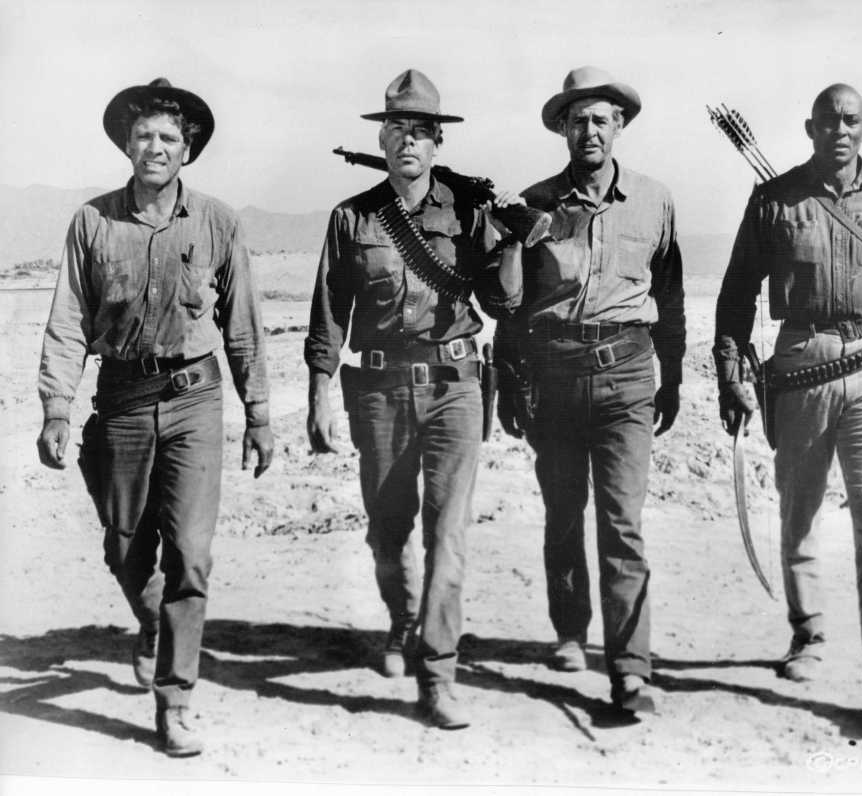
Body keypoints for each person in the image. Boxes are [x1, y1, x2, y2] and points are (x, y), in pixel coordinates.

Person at [36, 77, 274, 756]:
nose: (156, 147)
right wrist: (56, 407)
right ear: (127, 145)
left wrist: (259, 412)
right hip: (120, 402)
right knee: (124, 547)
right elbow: (67, 320)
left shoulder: (218, 221)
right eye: (143, 135)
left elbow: (244, 325)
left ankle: (175, 701)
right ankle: (151, 622)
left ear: (187, 149)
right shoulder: (92, 221)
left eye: (169, 137)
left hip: (195, 398)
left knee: (190, 554)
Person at [713, 83, 862, 720]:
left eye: (851, 120)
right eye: (828, 120)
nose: (839, 129)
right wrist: (730, 374)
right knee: (800, 513)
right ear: (810, 127)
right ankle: (809, 633)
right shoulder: (773, 200)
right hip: (799, 370)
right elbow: (736, 295)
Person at [304, 68, 522, 730]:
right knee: (387, 531)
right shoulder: (353, 217)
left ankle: (438, 672)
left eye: (420, 132)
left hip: (455, 385)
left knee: (446, 535)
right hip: (378, 389)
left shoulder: (469, 214)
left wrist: (512, 241)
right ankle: (401, 620)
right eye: (396, 129)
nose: (407, 141)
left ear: (436, 144)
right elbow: (328, 311)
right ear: (382, 138)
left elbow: (502, 301)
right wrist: (319, 392)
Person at [495, 66, 685, 714]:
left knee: (622, 523)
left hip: (627, 375)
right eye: (577, 121)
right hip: (552, 376)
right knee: (562, 514)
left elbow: (670, 296)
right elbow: (512, 308)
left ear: (619, 126)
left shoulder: (655, 201)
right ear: (562, 130)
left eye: (601, 119)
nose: (590, 131)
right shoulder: (534, 203)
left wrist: (672, 376)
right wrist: (508, 382)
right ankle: (571, 632)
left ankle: (630, 670)